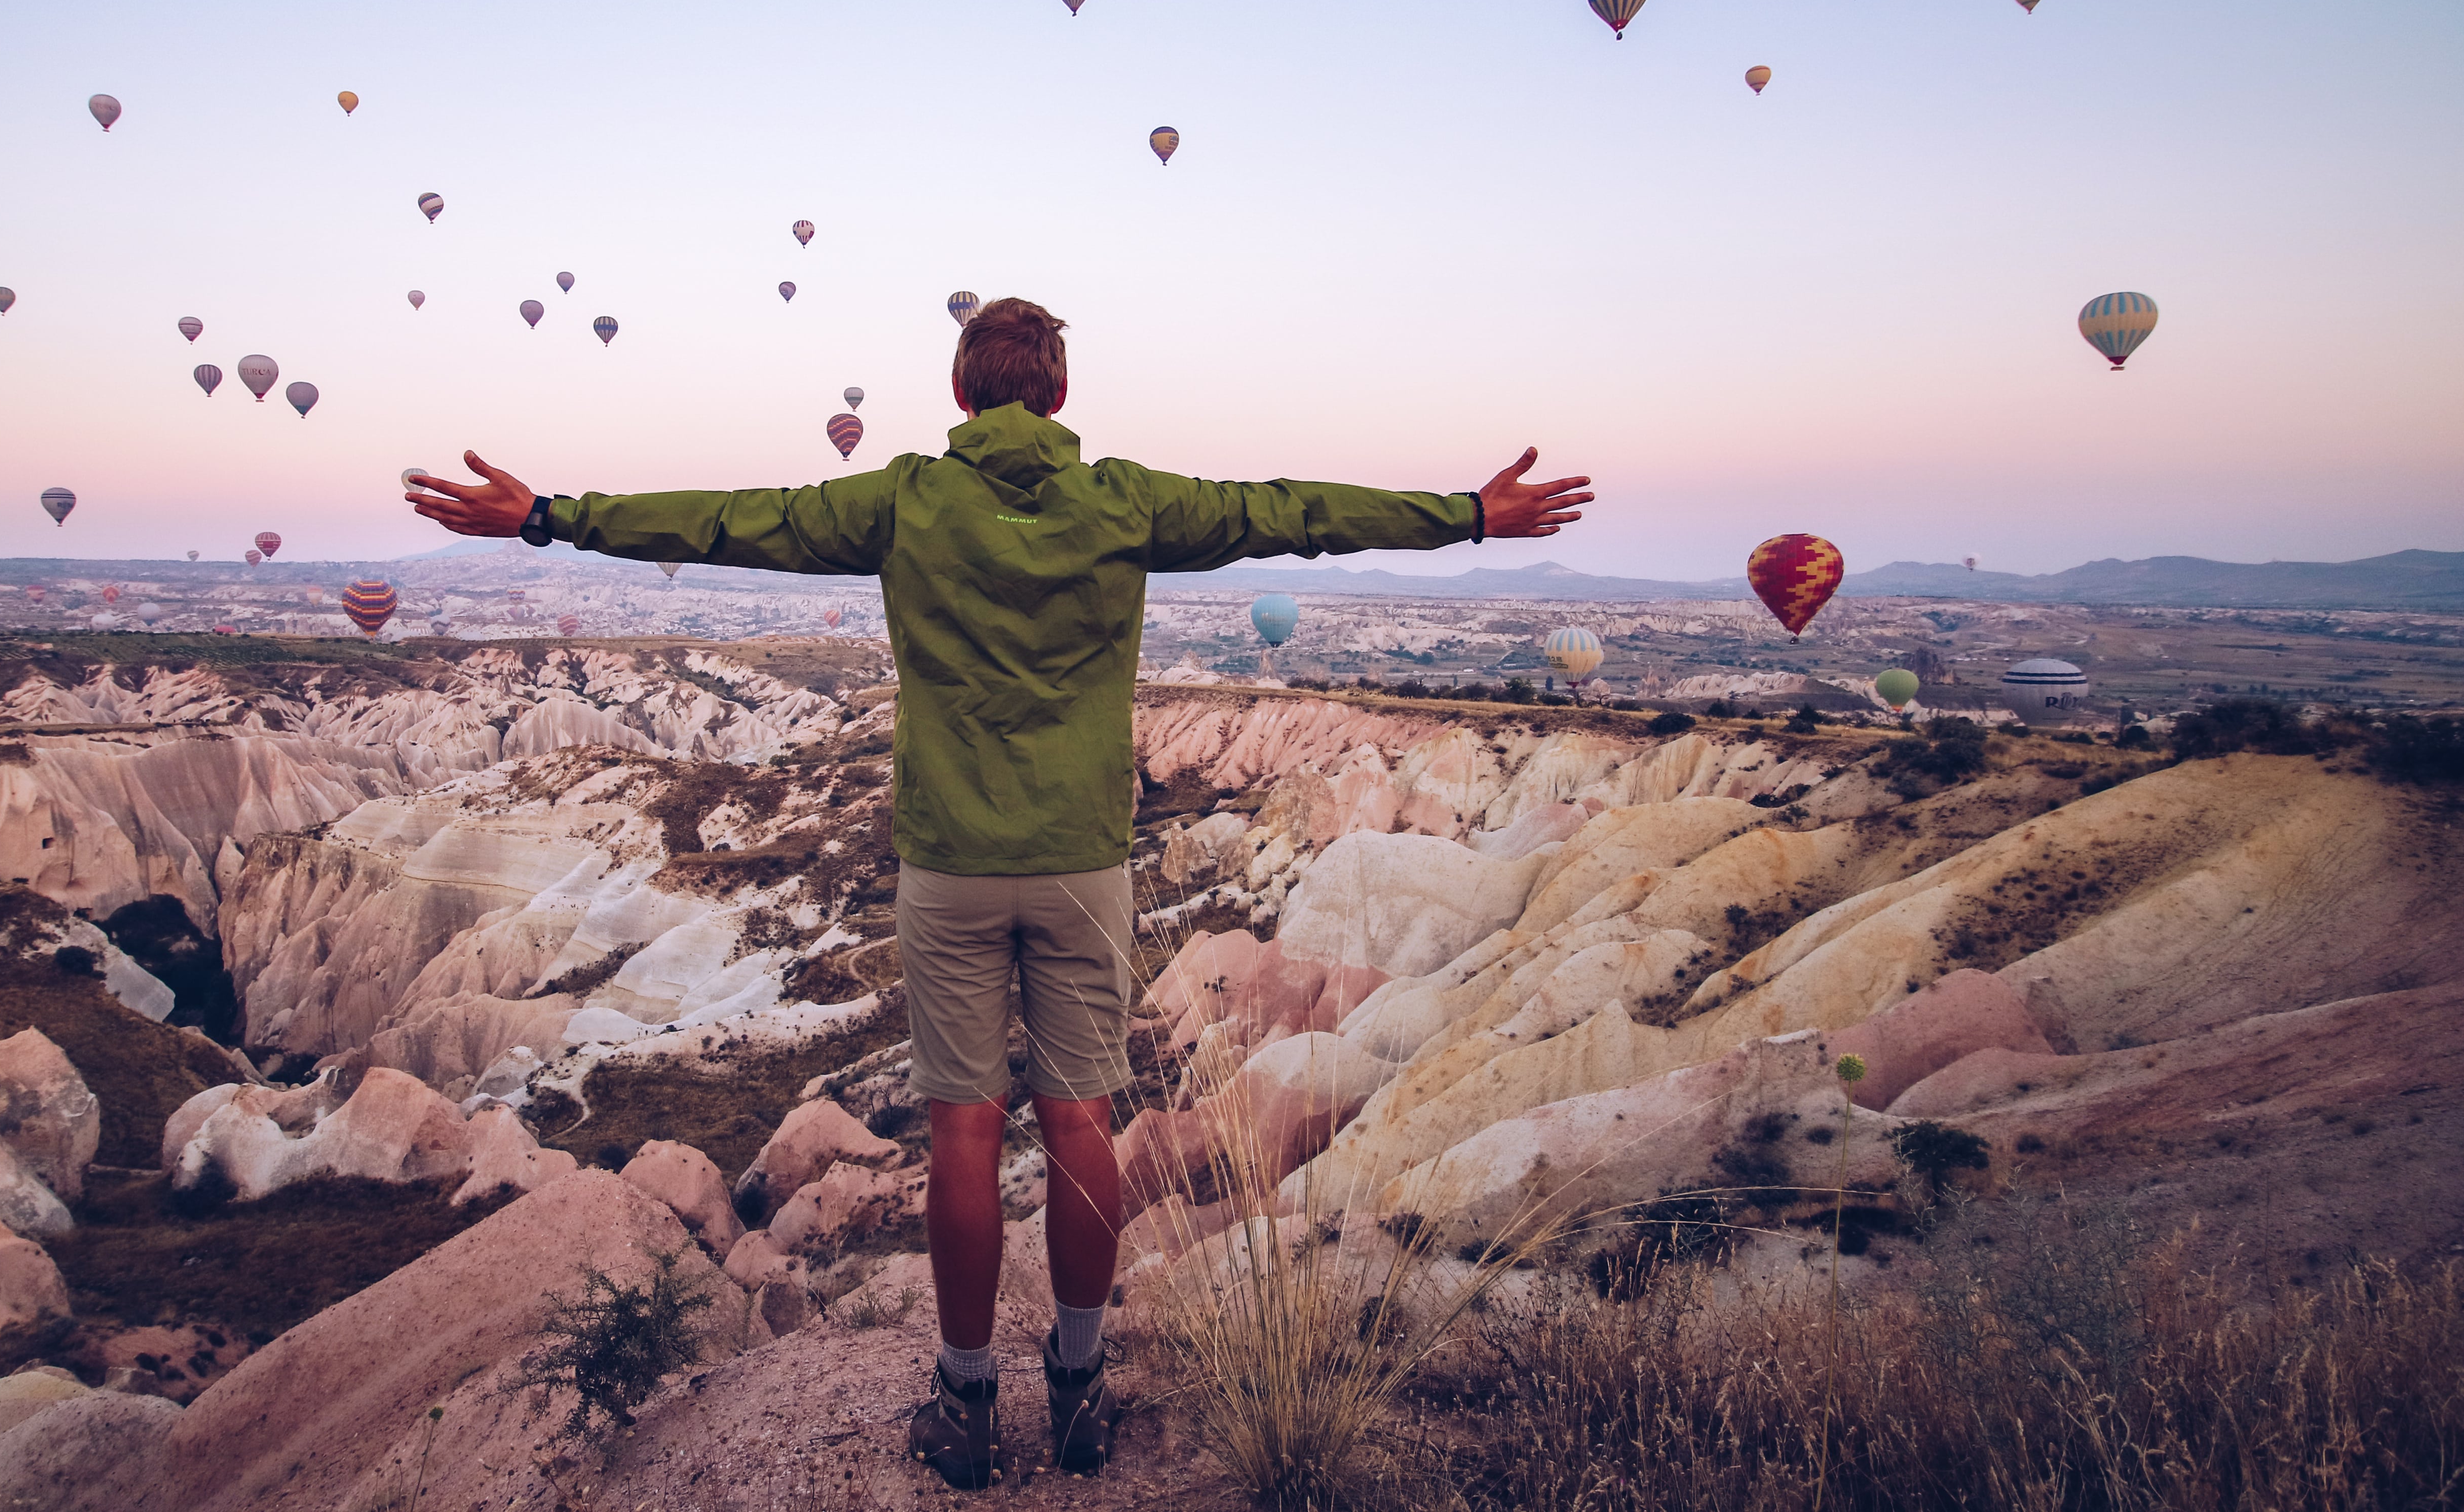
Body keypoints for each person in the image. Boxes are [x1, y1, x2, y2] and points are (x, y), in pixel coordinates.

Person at [404, 298, 1592, 1489]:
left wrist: (550, 517)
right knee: (1080, 1119)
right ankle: (1079, 1390)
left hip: (951, 861)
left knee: (963, 1125)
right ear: (1060, 397)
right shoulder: (1125, 498)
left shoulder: (905, 497)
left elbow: (732, 520)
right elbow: (1289, 512)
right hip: (1081, 859)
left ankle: (967, 1398)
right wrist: (1472, 515)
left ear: (962, 394)